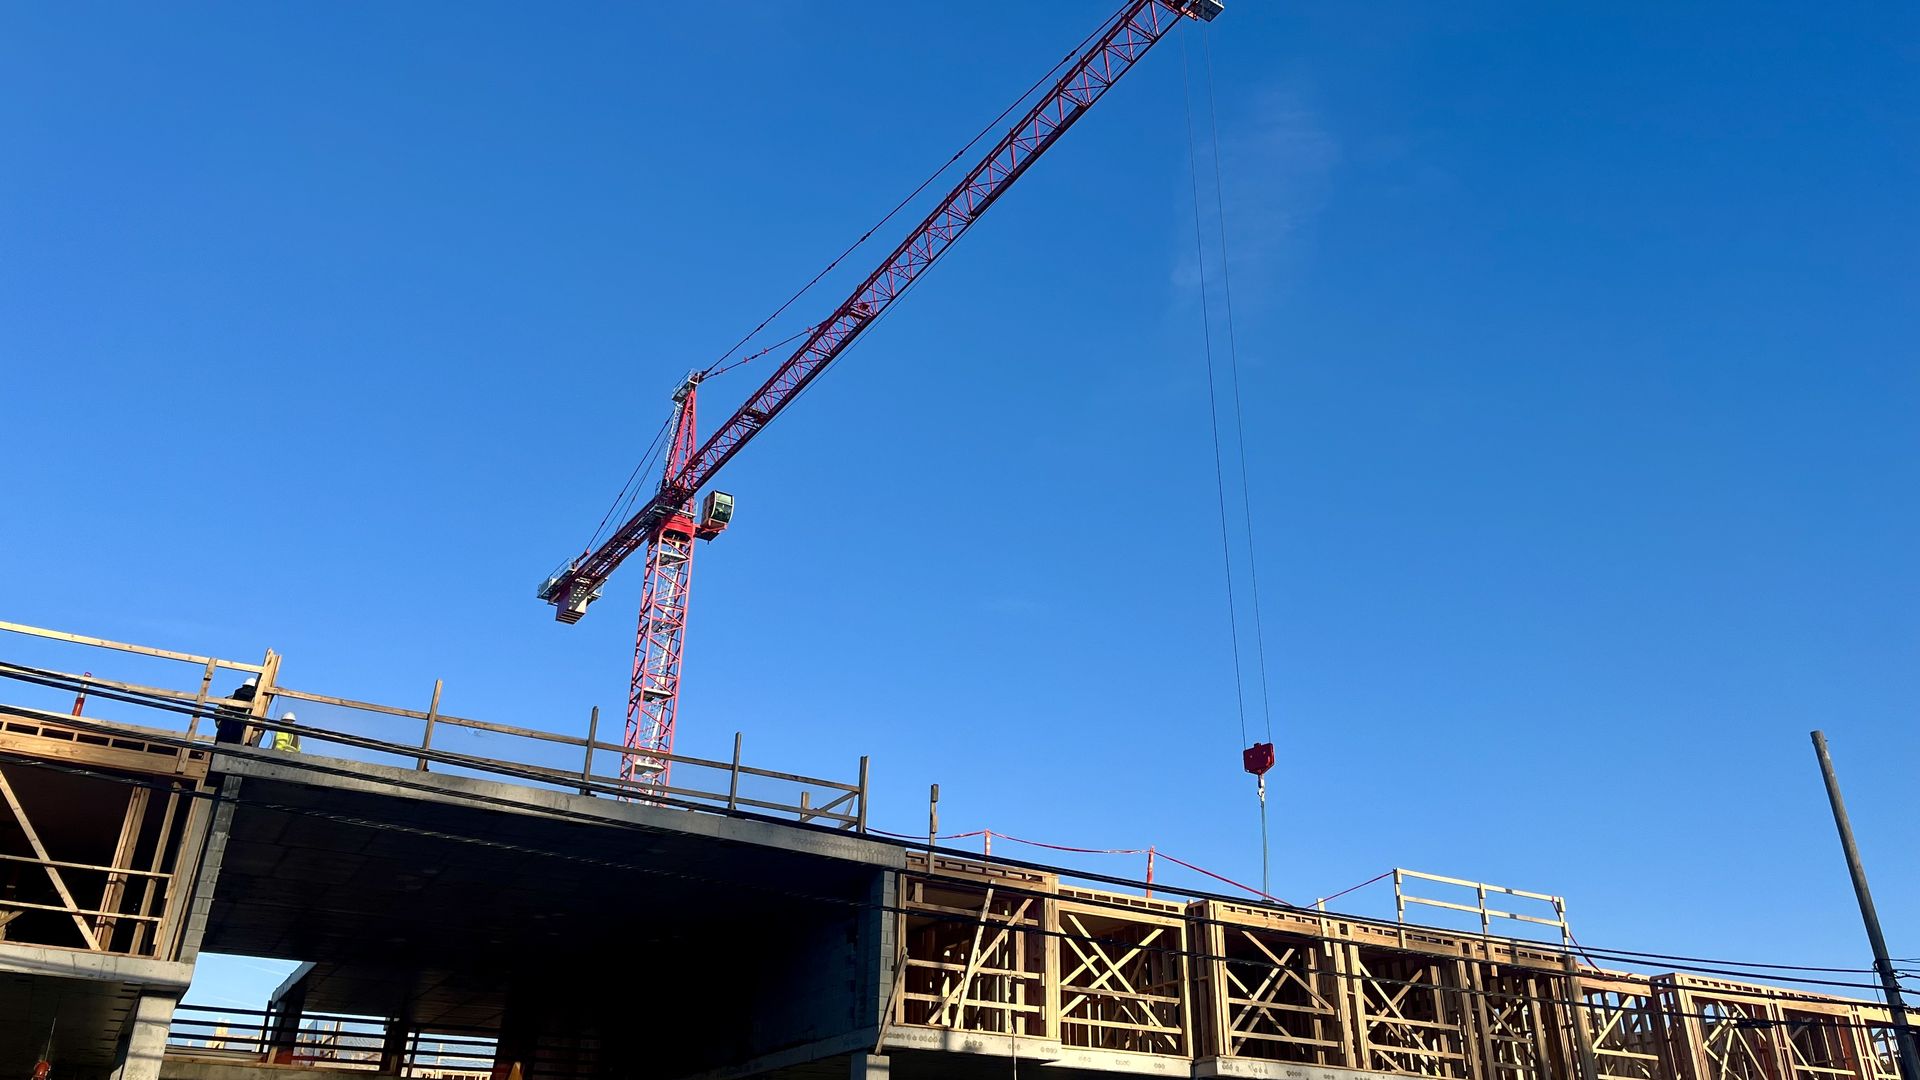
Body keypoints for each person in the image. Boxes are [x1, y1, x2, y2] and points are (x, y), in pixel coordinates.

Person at [214, 677, 257, 745]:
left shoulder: (230, 697)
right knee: (233, 750)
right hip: (239, 728)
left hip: (225, 727)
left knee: (218, 749)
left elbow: (218, 711)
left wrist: (220, 724)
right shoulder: (255, 700)